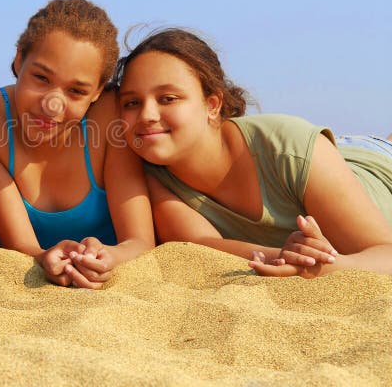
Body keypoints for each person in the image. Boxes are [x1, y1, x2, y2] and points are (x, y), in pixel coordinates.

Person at [115, 28, 392, 278]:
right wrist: (285, 257)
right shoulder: (148, 171)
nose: (147, 115)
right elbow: (200, 246)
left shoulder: (286, 147)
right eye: (132, 102)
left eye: (168, 99)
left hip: (373, 160)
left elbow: (385, 255)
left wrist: (329, 265)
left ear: (212, 104)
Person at [0, 0, 154, 289]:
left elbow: (140, 242)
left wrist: (110, 256)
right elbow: (21, 245)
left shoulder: (109, 116)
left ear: (98, 91)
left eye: (76, 91)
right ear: (18, 60)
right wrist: (43, 257)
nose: (52, 104)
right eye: (41, 77)